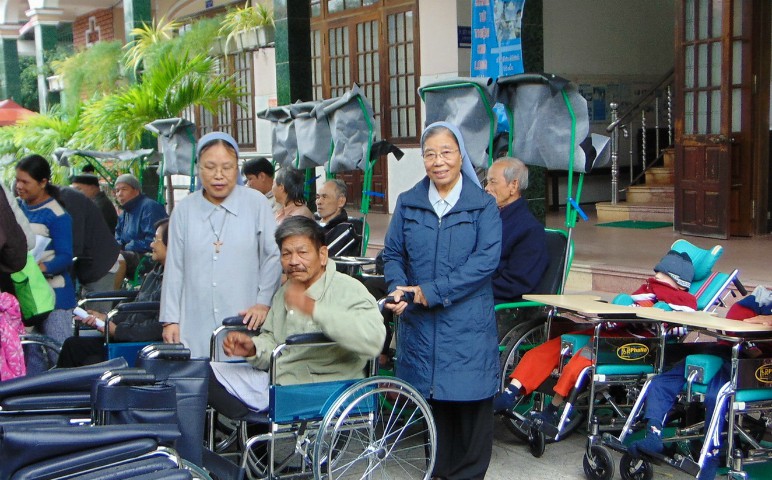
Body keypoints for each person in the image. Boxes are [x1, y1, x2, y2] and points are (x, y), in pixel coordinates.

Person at [383, 121, 502, 480]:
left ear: (460, 156)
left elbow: (485, 263)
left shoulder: (483, 206)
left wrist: (428, 292)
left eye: (447, 152)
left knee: (468, 413)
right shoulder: (408, 202)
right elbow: (392, 254)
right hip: (421, 328)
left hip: (467, 327)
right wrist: (398, 287)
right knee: (433, 414)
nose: (439, 161)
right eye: (430, 153)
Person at [208, 216, 386, 416]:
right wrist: (253, 349)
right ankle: (252, 437)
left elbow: (373, 339)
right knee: (200, 374)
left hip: (322, 387)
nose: (293, 261)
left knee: (203, 381)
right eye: (286, 254)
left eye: (302, 252)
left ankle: (257, 429)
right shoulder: (287, 290)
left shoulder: (348, 289)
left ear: (322, 254)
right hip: (280, 379)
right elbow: (272, 340)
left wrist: (312, 309)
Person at [493, 250, 698, 420]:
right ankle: (511, 391)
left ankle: (554, 410)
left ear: (678, 283)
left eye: (662, 276)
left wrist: (653, 313)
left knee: (578, 364)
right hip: (611, 330)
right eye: (657, 274)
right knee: (552, 347)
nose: (656, 278)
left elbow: (682, 324)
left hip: (636, 343)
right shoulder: (647, 289)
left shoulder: (684, 301)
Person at [628, 289, 772, 480]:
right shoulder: (759, 300)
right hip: (727, 349)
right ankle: (653, 434)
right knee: (662, 380)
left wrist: (764, 322)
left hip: (753, 362)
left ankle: (710, 457)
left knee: (717, 394)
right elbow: (736, 319)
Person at [160, 132, 282, 358]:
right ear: (198, 168)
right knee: (198, 381)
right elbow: (174, 267)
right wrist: (170, 319)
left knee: (241, 381)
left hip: (244, 319)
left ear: (236, 169)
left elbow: (273, 256)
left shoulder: (256, 204)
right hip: (193, 320)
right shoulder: (184, 210)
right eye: (210, 167)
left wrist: (263, 302)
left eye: (227, 167)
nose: (219, 175)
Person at [57, 219, 169, 368]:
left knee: (85, 356)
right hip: (127, 333)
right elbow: (136, 304)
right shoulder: (154, 274)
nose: (152, 244)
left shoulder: (176, 282)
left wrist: (118, 330)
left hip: (140, 344)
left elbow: (157, 328)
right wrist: (107, 319)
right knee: (72, 345)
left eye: (156, 240)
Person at [15, 154, 76, 373]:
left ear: (43, 182)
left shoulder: (57, 215)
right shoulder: (18, 208)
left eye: (25, 182)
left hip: (55, 296)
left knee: (57, 354)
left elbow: (65, 256)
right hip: (27, 295)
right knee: (30, 353)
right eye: (18, 180)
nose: (19, 186)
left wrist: (40, 268)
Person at [485, 157, 548, 303]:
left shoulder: (529, 230)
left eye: (493, 182)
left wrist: (470, 290)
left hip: (501, 304)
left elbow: (516, 283)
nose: (487, 188)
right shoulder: (489, 218)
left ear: (513, 186)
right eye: (487, 182)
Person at [58, 187, 121, 311]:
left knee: (97, 318)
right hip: (88, 263)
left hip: (100, 264)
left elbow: (74, 244)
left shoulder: (68, 199)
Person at [113, 173, 167, 280]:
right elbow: (118, 236)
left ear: (136, 190)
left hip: (148, 256)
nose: (119, 194)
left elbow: (153, 240)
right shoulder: (125, 212)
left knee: (118, 259)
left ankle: (113, 292)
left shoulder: (149, 207)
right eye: (117, 190)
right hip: (130, 253)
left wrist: (128, 246)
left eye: (124, 189)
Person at [315, 179, 359, 257]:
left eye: (324, 197)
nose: (319, 202)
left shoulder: (345, 230)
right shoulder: (311, 222)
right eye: (318, 197)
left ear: (341, 201)